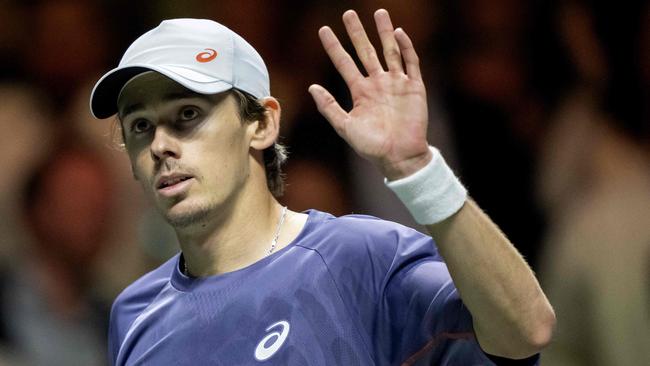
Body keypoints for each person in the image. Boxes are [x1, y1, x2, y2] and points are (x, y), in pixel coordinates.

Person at [89, 9, 554, 365]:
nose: (161, 145)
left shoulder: (362, 256)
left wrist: (419, 170)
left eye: (187, 115)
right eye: (140, 126)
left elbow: (525, 331)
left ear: (263, 124)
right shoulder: (134, 313)